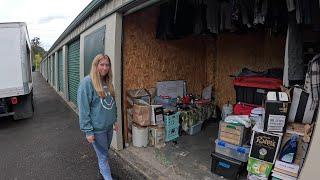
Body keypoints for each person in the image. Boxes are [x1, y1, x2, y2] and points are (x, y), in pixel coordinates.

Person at [77, 54, 119, 180]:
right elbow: (83, 110)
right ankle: (106, 176)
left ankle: (103, 171)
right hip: (98, 129)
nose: (105, 68)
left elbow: (112, 104)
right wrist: (88, 131)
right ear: (95, 66)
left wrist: (115, 119)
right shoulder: (87, 83)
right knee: (103, 155)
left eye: (107, 65)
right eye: (102, 64)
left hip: (109, 127)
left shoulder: (107, 82)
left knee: (104, 152)